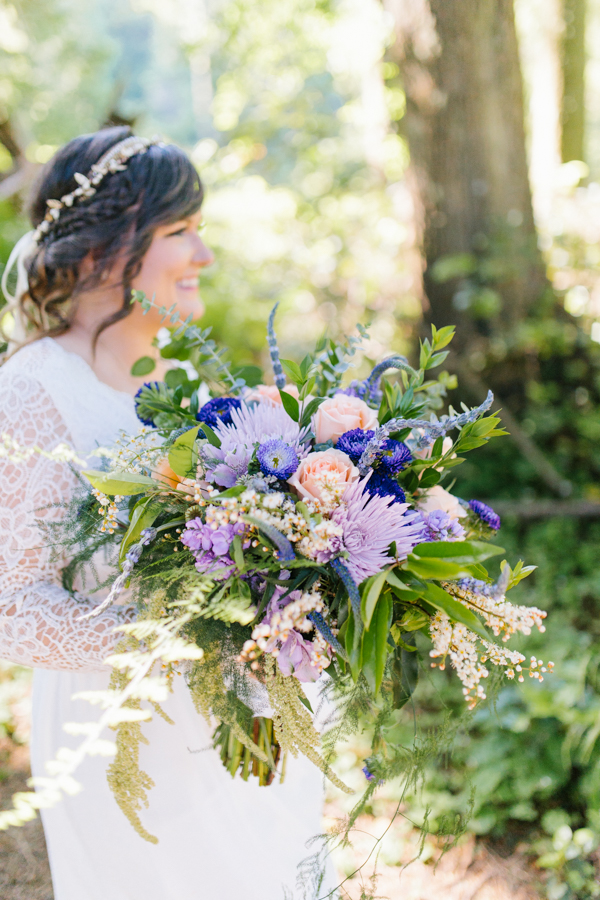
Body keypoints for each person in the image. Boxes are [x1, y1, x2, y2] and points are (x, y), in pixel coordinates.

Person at [0, 127, 334, 900]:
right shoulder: (32, 393)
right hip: (122, 740)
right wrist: (183, 636)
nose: (204, 257)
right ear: (104, 251)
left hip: (238, 720)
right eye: (181, 232)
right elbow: (10, 607)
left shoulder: (177, 374)